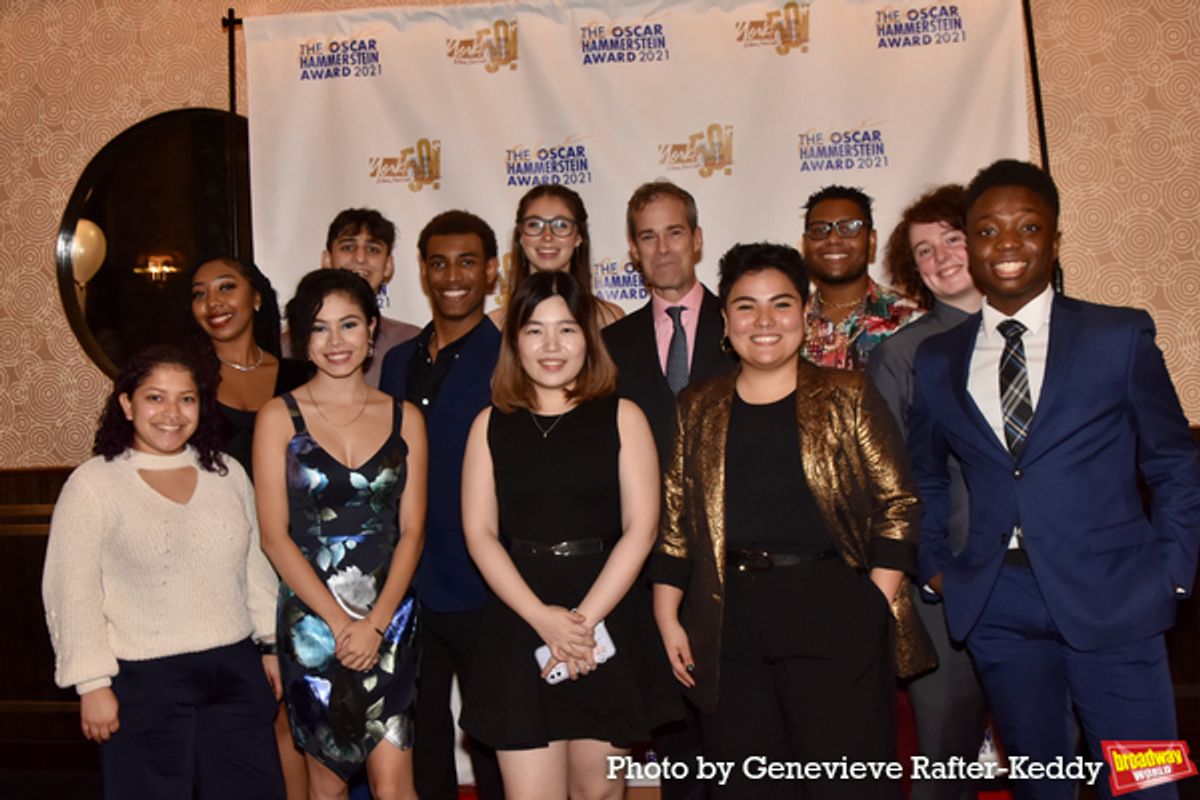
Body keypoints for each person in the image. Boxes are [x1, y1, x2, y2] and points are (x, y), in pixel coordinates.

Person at [909, 160, 1200, 799]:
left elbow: (1174, 460)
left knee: (1148, 785)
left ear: (1055, 240)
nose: (1007, 244)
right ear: (970, 244)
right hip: (999, 609)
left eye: (1027, 227)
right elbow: (924, 477)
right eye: (986, 230)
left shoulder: (1117, 336)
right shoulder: (936, 360)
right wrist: (935, 566)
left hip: (1117, 602)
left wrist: (1173, 570)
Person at [651, 243, 933, 800]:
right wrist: (666, 615)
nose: (764, 322)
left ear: (804, 315)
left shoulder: (847, 395)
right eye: (746, 306)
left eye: (780, 305)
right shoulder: (697, 406)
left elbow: (898, 504)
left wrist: (873, 603)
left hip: (834, 614)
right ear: (725, 321)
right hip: (728, 622)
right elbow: (676, 520)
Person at [460, 271, 678, 800]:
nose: (551, 346)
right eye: (535, 331)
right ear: (515, 341)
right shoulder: (489, 425)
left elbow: (641, 528)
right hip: (520, 621)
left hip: (606, 617)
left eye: (567, 329)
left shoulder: (623, 417)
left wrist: (582, 624)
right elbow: (481, 533)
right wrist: (542, 620)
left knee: (598, 793)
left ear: (589, 337)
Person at [42, 344, 284, 799]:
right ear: (127, 404)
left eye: (186, 398)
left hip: (234, 671)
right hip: (141, 682)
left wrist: (270, 644)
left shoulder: (227, 472)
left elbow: (253, 564)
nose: (171, 413)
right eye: (155, 397)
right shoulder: (94, 483)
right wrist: (91, 683)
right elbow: (70, 591)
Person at [254, 269, 427, 800]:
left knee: (396, 787)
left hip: (390, 622)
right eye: (320, 328)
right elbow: (274, 537)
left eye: (349, 325)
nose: (336, 342)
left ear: (372, 329)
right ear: (301, 338)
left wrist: (375, 625)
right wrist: (336, 623)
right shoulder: (277, 417)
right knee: (325, 786)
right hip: (312, 628)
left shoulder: (406, 418)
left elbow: (413, 529)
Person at [602, 178, 735, 799]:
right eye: (648, 237)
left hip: (741, 562)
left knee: (745, 739)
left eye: (674, 232)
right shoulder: (609, 346)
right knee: (675, 742)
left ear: (698, 239)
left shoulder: (747, 326)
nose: (662, 249)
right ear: (632, 250)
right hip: (648, 569)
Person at [379, 210, 506, 800]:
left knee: (493, 738)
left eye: (467, 262)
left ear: (492, 273)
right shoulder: (398, 363)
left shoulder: (513, 359)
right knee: (420, 736)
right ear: (423, 273)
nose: (452, 275)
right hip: (408, 587)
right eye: (438, 263)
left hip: (486, 586)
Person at [867, 185, 988, 800]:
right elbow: (889, 484)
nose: (940, 257)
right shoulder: (900, 356)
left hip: (1048, 583)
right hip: (942, 590)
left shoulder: (1054, 335)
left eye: (952, 239)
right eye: (922, 252)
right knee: (945, 760)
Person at [188, 256, 311, 478]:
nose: (212, 302)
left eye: (225, 288)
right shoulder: (186, 379)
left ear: (256, 297)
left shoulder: (301, 377)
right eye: (200, 294)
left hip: (291, 511)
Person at [800, 185, 922, 370]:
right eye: (819, 230)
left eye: (849, 228)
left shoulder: (911, 320)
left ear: (871, 241)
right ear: (806, 244)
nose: (833, 238)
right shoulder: (788, 323)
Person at [489, 185, 624, 329]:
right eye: (534, 224)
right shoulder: (494, 326)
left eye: (561, 225)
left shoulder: (609, 319)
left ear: (579, 236)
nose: (547, 236)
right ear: (521, 236)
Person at [319, 208, 422, 385]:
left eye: (373, 249)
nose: (360, 258)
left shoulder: (412, 342)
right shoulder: (291, 345)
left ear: (388, 265)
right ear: (327, 259)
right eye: (348, 247)